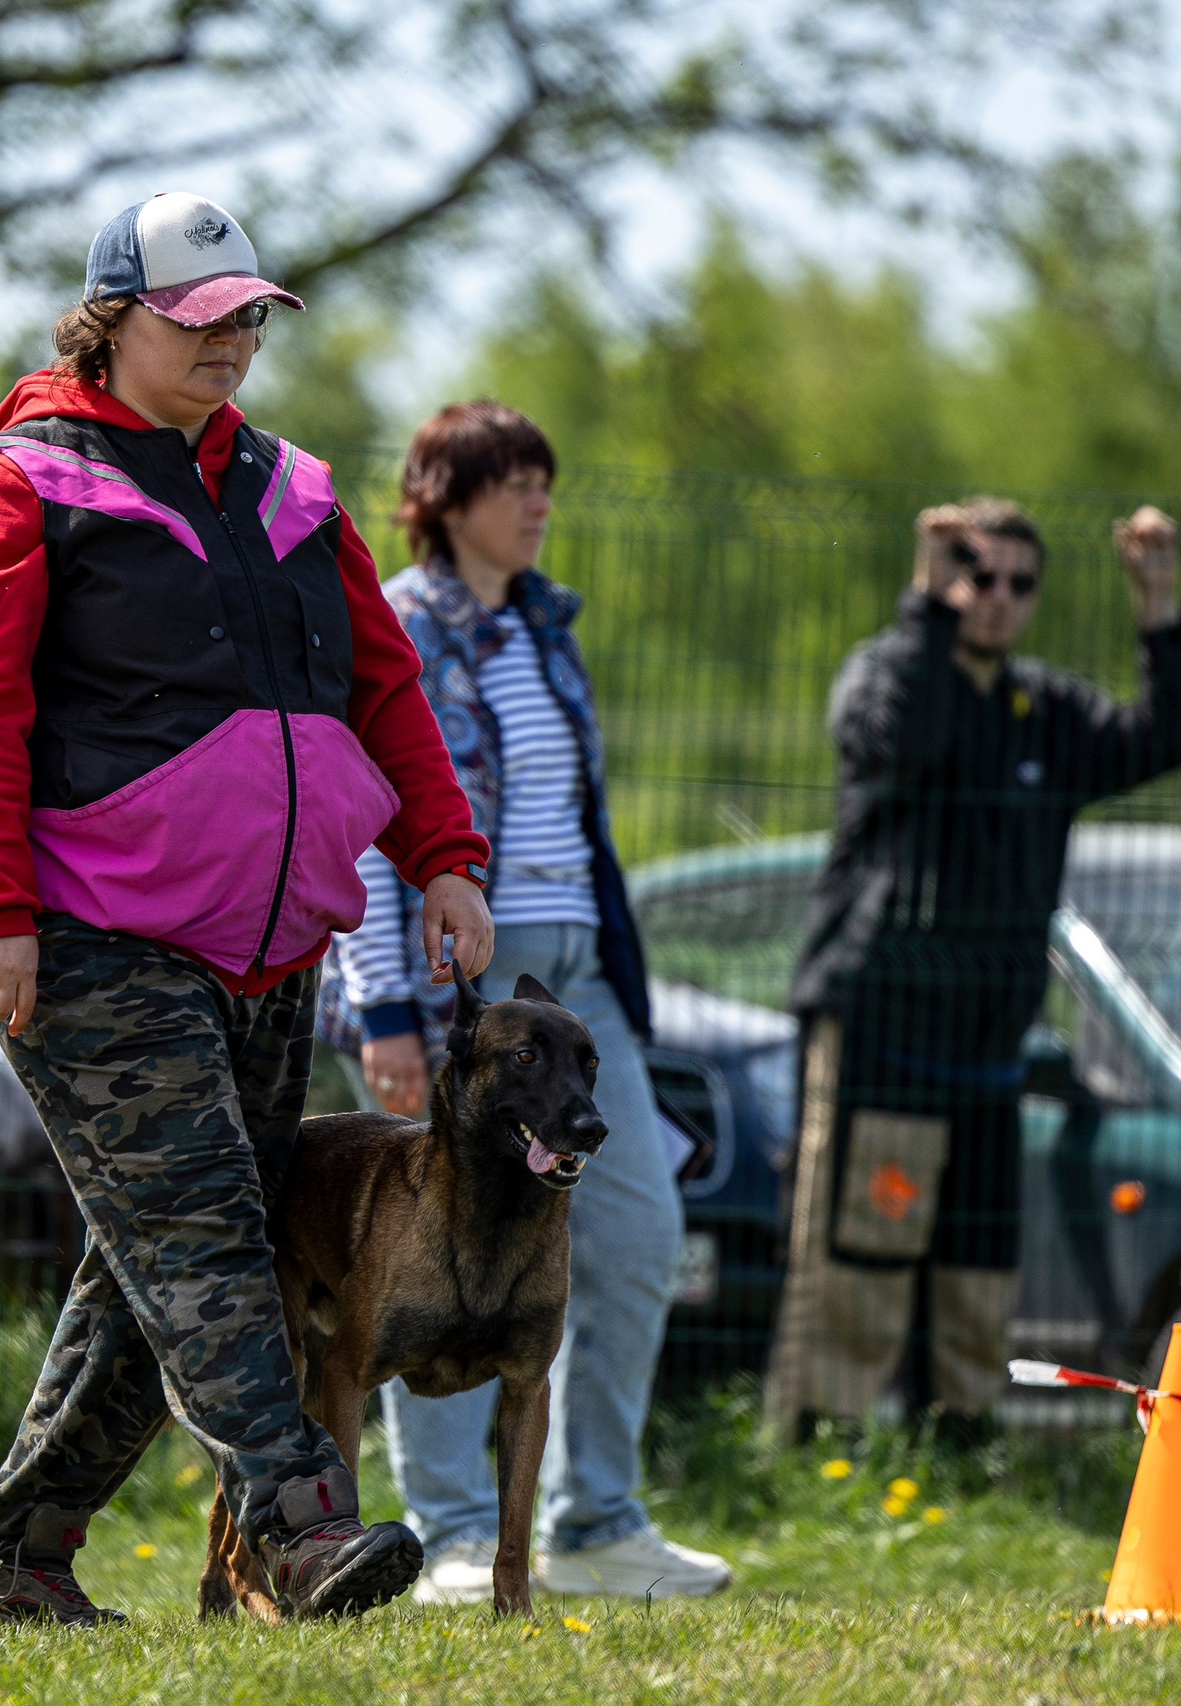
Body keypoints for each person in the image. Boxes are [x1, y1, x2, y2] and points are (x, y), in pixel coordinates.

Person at [0, 191, 495, 1628]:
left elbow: (383, 686)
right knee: (204, 1235)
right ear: (111, 322)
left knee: (156, 1256)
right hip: (88, 937)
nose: (233, 342)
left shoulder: (296, 489)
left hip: (271, 943)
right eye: (200, 321)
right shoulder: (14, 485)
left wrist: (444, 852)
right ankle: (299, 1526)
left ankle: (12, 1558)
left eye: (249, 317)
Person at [321, 401, 730, 1601]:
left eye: (544, 482)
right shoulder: (395, 622)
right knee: (435, 1260)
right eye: (513, 483)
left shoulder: (551, 630)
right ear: (445, 499)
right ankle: (447, 1534)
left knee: (639, 1230)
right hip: (454, 980)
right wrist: (381, 1003)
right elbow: (360, 814)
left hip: (577, 973)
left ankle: (598, 1520)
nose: (538, 502)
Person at [766, 498, 1181, 1443]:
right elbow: (905, 743)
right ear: (941, 578)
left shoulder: (1044, 710)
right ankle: (821, 1441)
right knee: (860, 1247)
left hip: (990, 1035)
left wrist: (1159, 605)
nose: (996, 597)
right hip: (881, 1022)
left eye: (1019, 582)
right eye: (975, 574)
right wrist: (924, 603)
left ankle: (959, 1439)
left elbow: (1166, 741)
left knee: (976, 1252)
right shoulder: (887, 674)